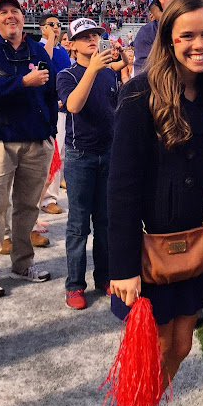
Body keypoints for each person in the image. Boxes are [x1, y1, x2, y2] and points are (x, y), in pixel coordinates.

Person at [108, 0, 203, 396]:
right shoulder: (139, 94)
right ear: (169, 40)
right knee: (150, 353)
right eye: (187, 35)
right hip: (145, 252)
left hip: (192, 247)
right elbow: (120, 184)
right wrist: (121, 266)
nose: (199, 44)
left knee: (181, 345)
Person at [0, 0, 57, 298]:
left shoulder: (37, 50)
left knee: (28, 207)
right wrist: (22, 83)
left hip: (34, 139)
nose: (9, 16)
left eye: (14, 11)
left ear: (22, 16)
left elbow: (51, 90)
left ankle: (22, 263)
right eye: (2, 12)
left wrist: (48, 130)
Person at [57, 18, 129, 310]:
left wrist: (121, 65)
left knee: (105, 221)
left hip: (107, 152)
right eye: (85, 36)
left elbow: (117, 102)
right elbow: (73, 105)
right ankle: (74, 285)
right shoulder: (67, 74)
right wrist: (95, 70)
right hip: (80, 156)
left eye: (95, 35)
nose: (92, 40)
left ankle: (104, 277)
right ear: (72, 44)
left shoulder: (107, 73)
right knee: (77, 224)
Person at [38, 13, 72, 217]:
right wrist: (51, 38)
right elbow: (44, 62)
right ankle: (46, 198)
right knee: (53, 153)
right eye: (51, 24)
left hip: (63, 104)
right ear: (42, 27)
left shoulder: (61, 50)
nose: (56, 27)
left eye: (58, 24)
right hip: (51, 106)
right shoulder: (40, 47)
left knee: (62, 152)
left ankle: (51, 194)